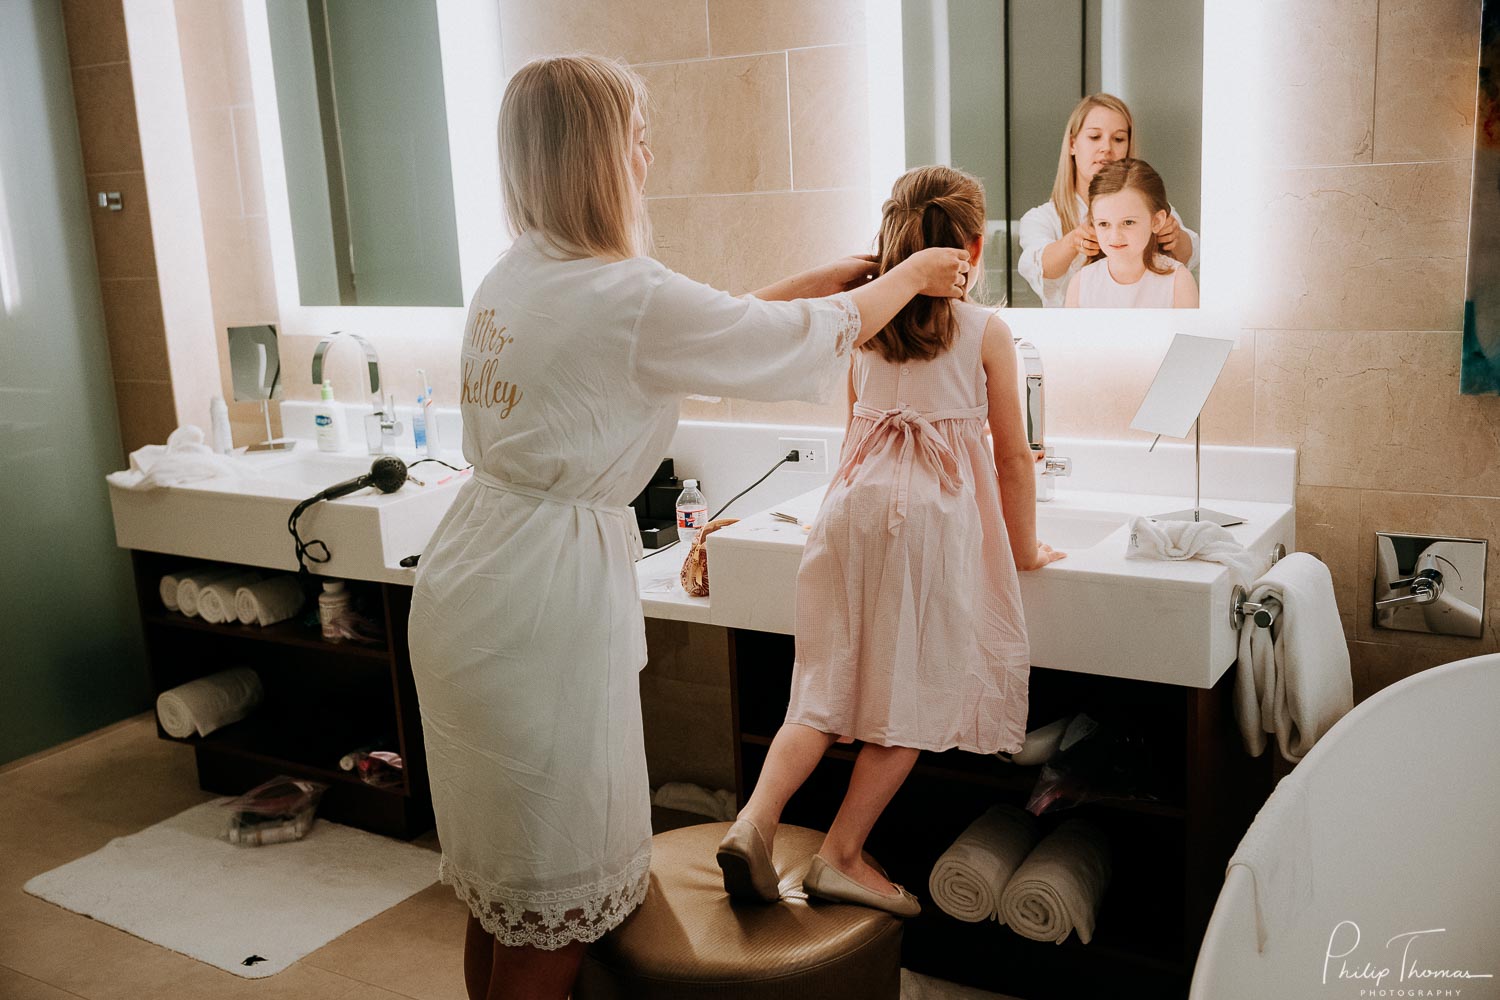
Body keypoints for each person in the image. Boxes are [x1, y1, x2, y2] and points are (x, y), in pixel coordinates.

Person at [406, 55, 972, 1000]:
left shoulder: (522, 274)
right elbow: (738, 338)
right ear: (595, 157)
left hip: (472, 587)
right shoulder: (618, 294)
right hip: (539, 611)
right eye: (635, 138)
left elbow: (702, 330)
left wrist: (826, 282)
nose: (649, 156)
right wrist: (911, 272)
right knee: (548, 921)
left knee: (506, 893)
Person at [715, 165, 1066, 917]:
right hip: (926, 529)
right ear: (972, 246)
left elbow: (851, 434)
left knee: (820, 689)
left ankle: (754, 823)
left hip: (848, 511)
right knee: (912, 702)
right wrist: (1027, 550)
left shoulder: (861, 324)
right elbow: (1012, 457)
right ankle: (840, 853)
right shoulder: (984, 330)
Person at [1016, 93, 1200, 307]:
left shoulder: (1153, 211)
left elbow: (1189, 256)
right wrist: (1072, 241)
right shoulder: (1043, 221)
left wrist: (1175, 236)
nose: (1107, 148)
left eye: (1119, 139)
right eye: (1095, 137)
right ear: (1073, 144)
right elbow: (1040, 268)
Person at [1065, 158, 1199, 308]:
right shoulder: (1081, 284)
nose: (1115, 236)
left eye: (1128, 222)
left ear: (1156, 221)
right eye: (1104, 224)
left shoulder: (1178, 281)